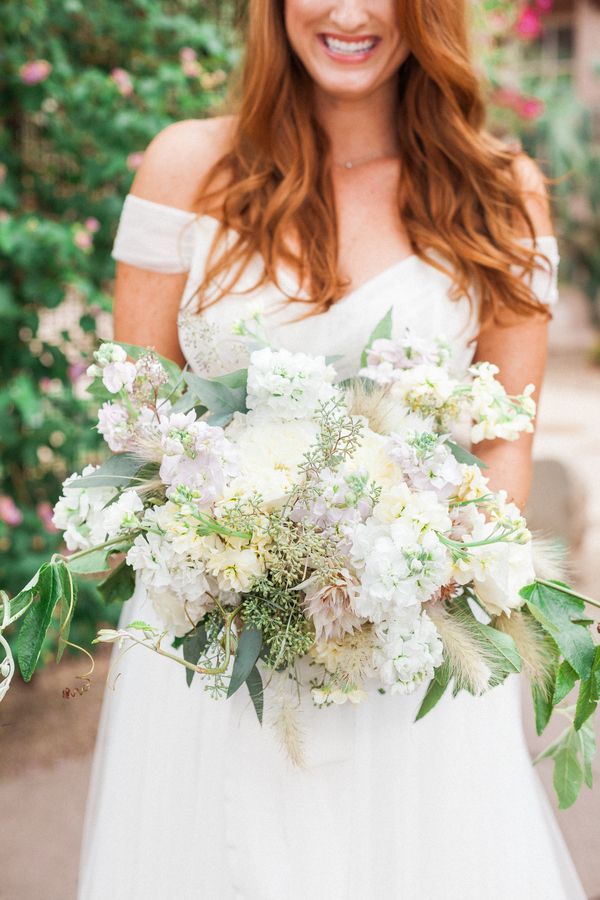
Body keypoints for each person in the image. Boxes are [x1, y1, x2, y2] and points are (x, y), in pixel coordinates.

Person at [77, 2, 587, 898]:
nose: (349, 13)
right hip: (218, 643)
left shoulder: (502, 192)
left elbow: (504, 435)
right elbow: (141, 419)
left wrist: (433, 576)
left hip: (411, 647)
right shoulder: (186, 167)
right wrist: (234, 562)